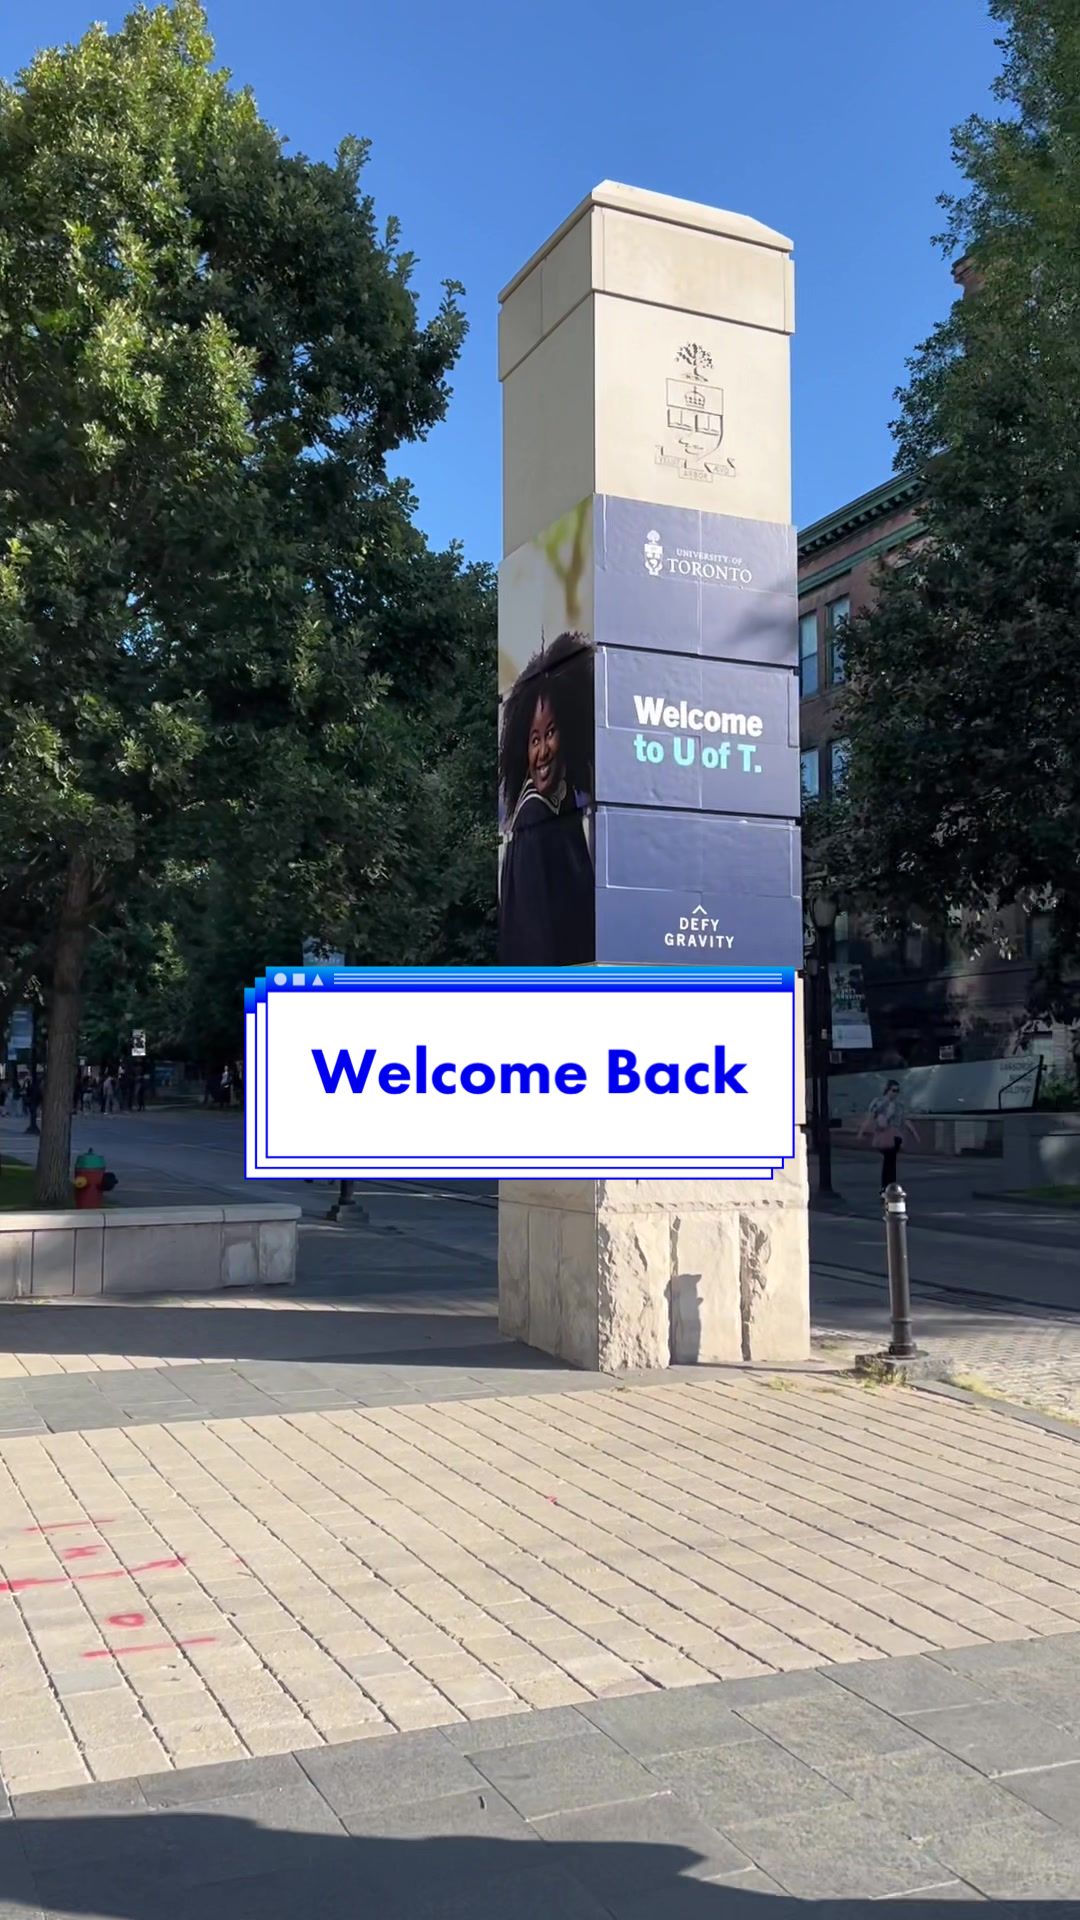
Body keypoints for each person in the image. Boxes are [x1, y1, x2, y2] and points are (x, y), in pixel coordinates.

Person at [498, 631, 595, 966]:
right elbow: (535, 939)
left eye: (550, 733)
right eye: (534, 739)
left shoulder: (561, 808)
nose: (542, 752)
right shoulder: (534, 819)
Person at [860, 1078, 920, 1193]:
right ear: (887, 1090)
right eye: (893, 1090)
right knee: (889, 1160)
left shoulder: (899, 1105)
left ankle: (889, 1185)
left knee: (891, 1160)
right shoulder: (879, 1102)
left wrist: (915, 1133)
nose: (895, 1093)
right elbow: (870, 1117)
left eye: (897, 1091)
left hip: (895, 1135)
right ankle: (887, 1185)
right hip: (884, 1134)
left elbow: (905, 1120)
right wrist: (861, 1131)